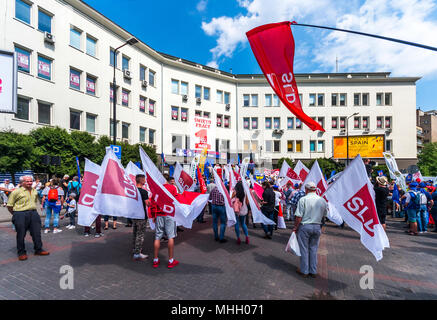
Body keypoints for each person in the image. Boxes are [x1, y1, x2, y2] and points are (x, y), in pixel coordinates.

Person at [7, 175, 50, 261]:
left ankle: (38, 250)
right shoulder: (16, 192)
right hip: (20, 214)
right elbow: (9, 205)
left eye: (31, 181)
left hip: (33, 213)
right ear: (22, 182)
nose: (29, 183)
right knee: (21, 234)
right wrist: (16, 214)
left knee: (36, 233)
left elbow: (34, 202)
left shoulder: (34, 191)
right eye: (27, 181)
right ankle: (21, 252)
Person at [293, 181, 328, 278]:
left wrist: (295, 227)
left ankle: (305, 271)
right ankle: (313, 270)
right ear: (315, 189)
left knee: (304, 249)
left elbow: (298, 216)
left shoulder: (303, 199)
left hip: (305, 226)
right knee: (313, 249)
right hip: (317, 226)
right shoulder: (322, 200)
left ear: (306, 189)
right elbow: (325, 215)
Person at [151, 175, 179, 268]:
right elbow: (176, 200)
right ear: (168, 180)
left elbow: (153, 202)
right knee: (171, 237)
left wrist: (154, 215)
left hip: (159, 214)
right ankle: (170, 260)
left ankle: (155, 259)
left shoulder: (158, 189)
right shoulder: (172, 188)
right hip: (169, 213)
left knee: (157, 237)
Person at [132, 174, 149, 261]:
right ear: (141, 180)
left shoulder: (133, 190)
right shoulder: (144, 192)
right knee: (140, 235)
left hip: (134, 215)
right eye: (144, 179)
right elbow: (148, 204)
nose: (145, 181)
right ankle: (137, 253)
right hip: (141, 216)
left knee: (135, 233)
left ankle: (135, 249)